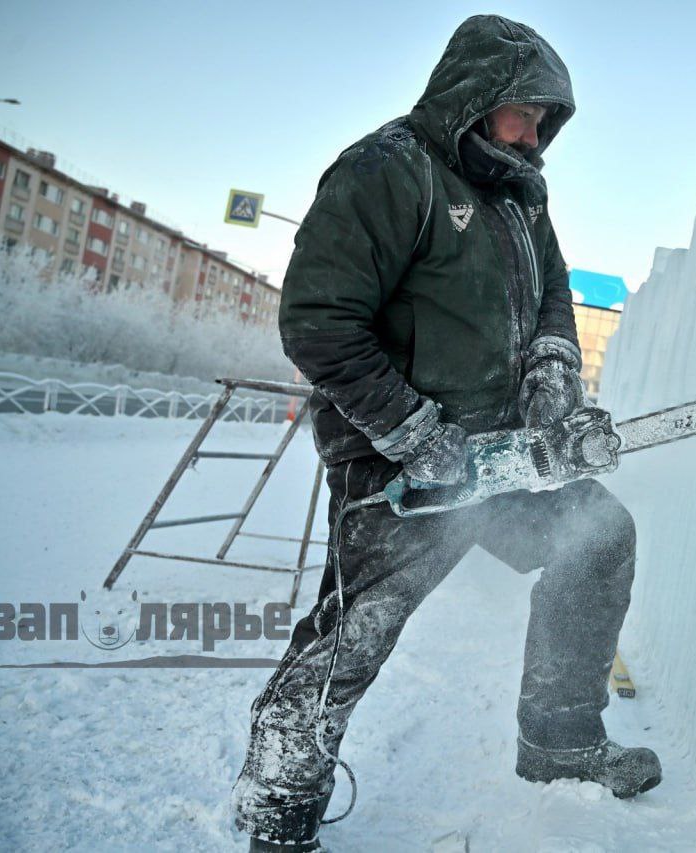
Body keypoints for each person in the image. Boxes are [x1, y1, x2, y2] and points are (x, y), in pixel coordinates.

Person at [231, 15, 661, 851]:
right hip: (404, 468)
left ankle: (561, 739)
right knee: (354, 636)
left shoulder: (519, 196)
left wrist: (550, 375)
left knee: (599, 535)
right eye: (524, 114)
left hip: (499, 458)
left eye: (546, 121)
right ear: (476, 95)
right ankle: (279, 813)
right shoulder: (388, 170)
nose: (535, 135)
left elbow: (552, 300)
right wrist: (416, 434)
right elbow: (319, 323)